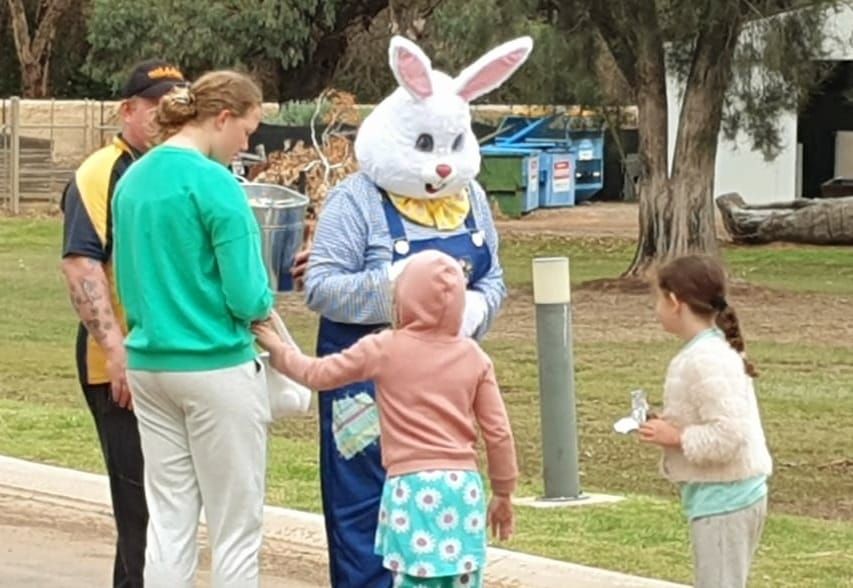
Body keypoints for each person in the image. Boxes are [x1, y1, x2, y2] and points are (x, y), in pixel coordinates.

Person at [303, 35, 532, 587]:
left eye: (452, 144)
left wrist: (475, 309)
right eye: (427, 144)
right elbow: (321, 287)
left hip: (443, 387)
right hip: (366, 386)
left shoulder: (472, 198)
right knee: (363, 506)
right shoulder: (356, 199)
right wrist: (399, 289)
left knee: (439, 513)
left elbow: (494, 276)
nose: (443, 165)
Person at [254, 250, 518, 588]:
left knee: (410, 580)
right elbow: (498, 433)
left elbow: (318, 374)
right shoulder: (474, 357)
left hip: (410, 488)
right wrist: (503, 493)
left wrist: (279, 350)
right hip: (462, 489)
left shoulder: (384, 348)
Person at [111, 70, 273, 588]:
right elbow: (248, 295)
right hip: (214, 360)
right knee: (234, 523)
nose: (246, 143)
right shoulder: (216, 183)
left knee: (171, 515)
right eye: (246, 130)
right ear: (222, 118)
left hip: (150, 360)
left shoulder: (133, 178)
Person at [60, 59, 186, 588]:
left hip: (175, 359)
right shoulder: (102, 172)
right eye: (156, 106)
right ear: (128, 110)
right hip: (121, 363)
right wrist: (116, 353)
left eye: (177, 106)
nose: (166, 116)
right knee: (140, 508)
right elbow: (81, 263)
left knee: (166, 509)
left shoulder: (183, 168)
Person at [639, 255, 773, 588]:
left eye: (658, 298)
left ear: (674, 302)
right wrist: (667, 426)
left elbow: (730, 435)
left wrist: (677, 437)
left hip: (727, 500)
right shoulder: (708, 351)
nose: (655, 307)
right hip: (718, 498)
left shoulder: (706, 359)